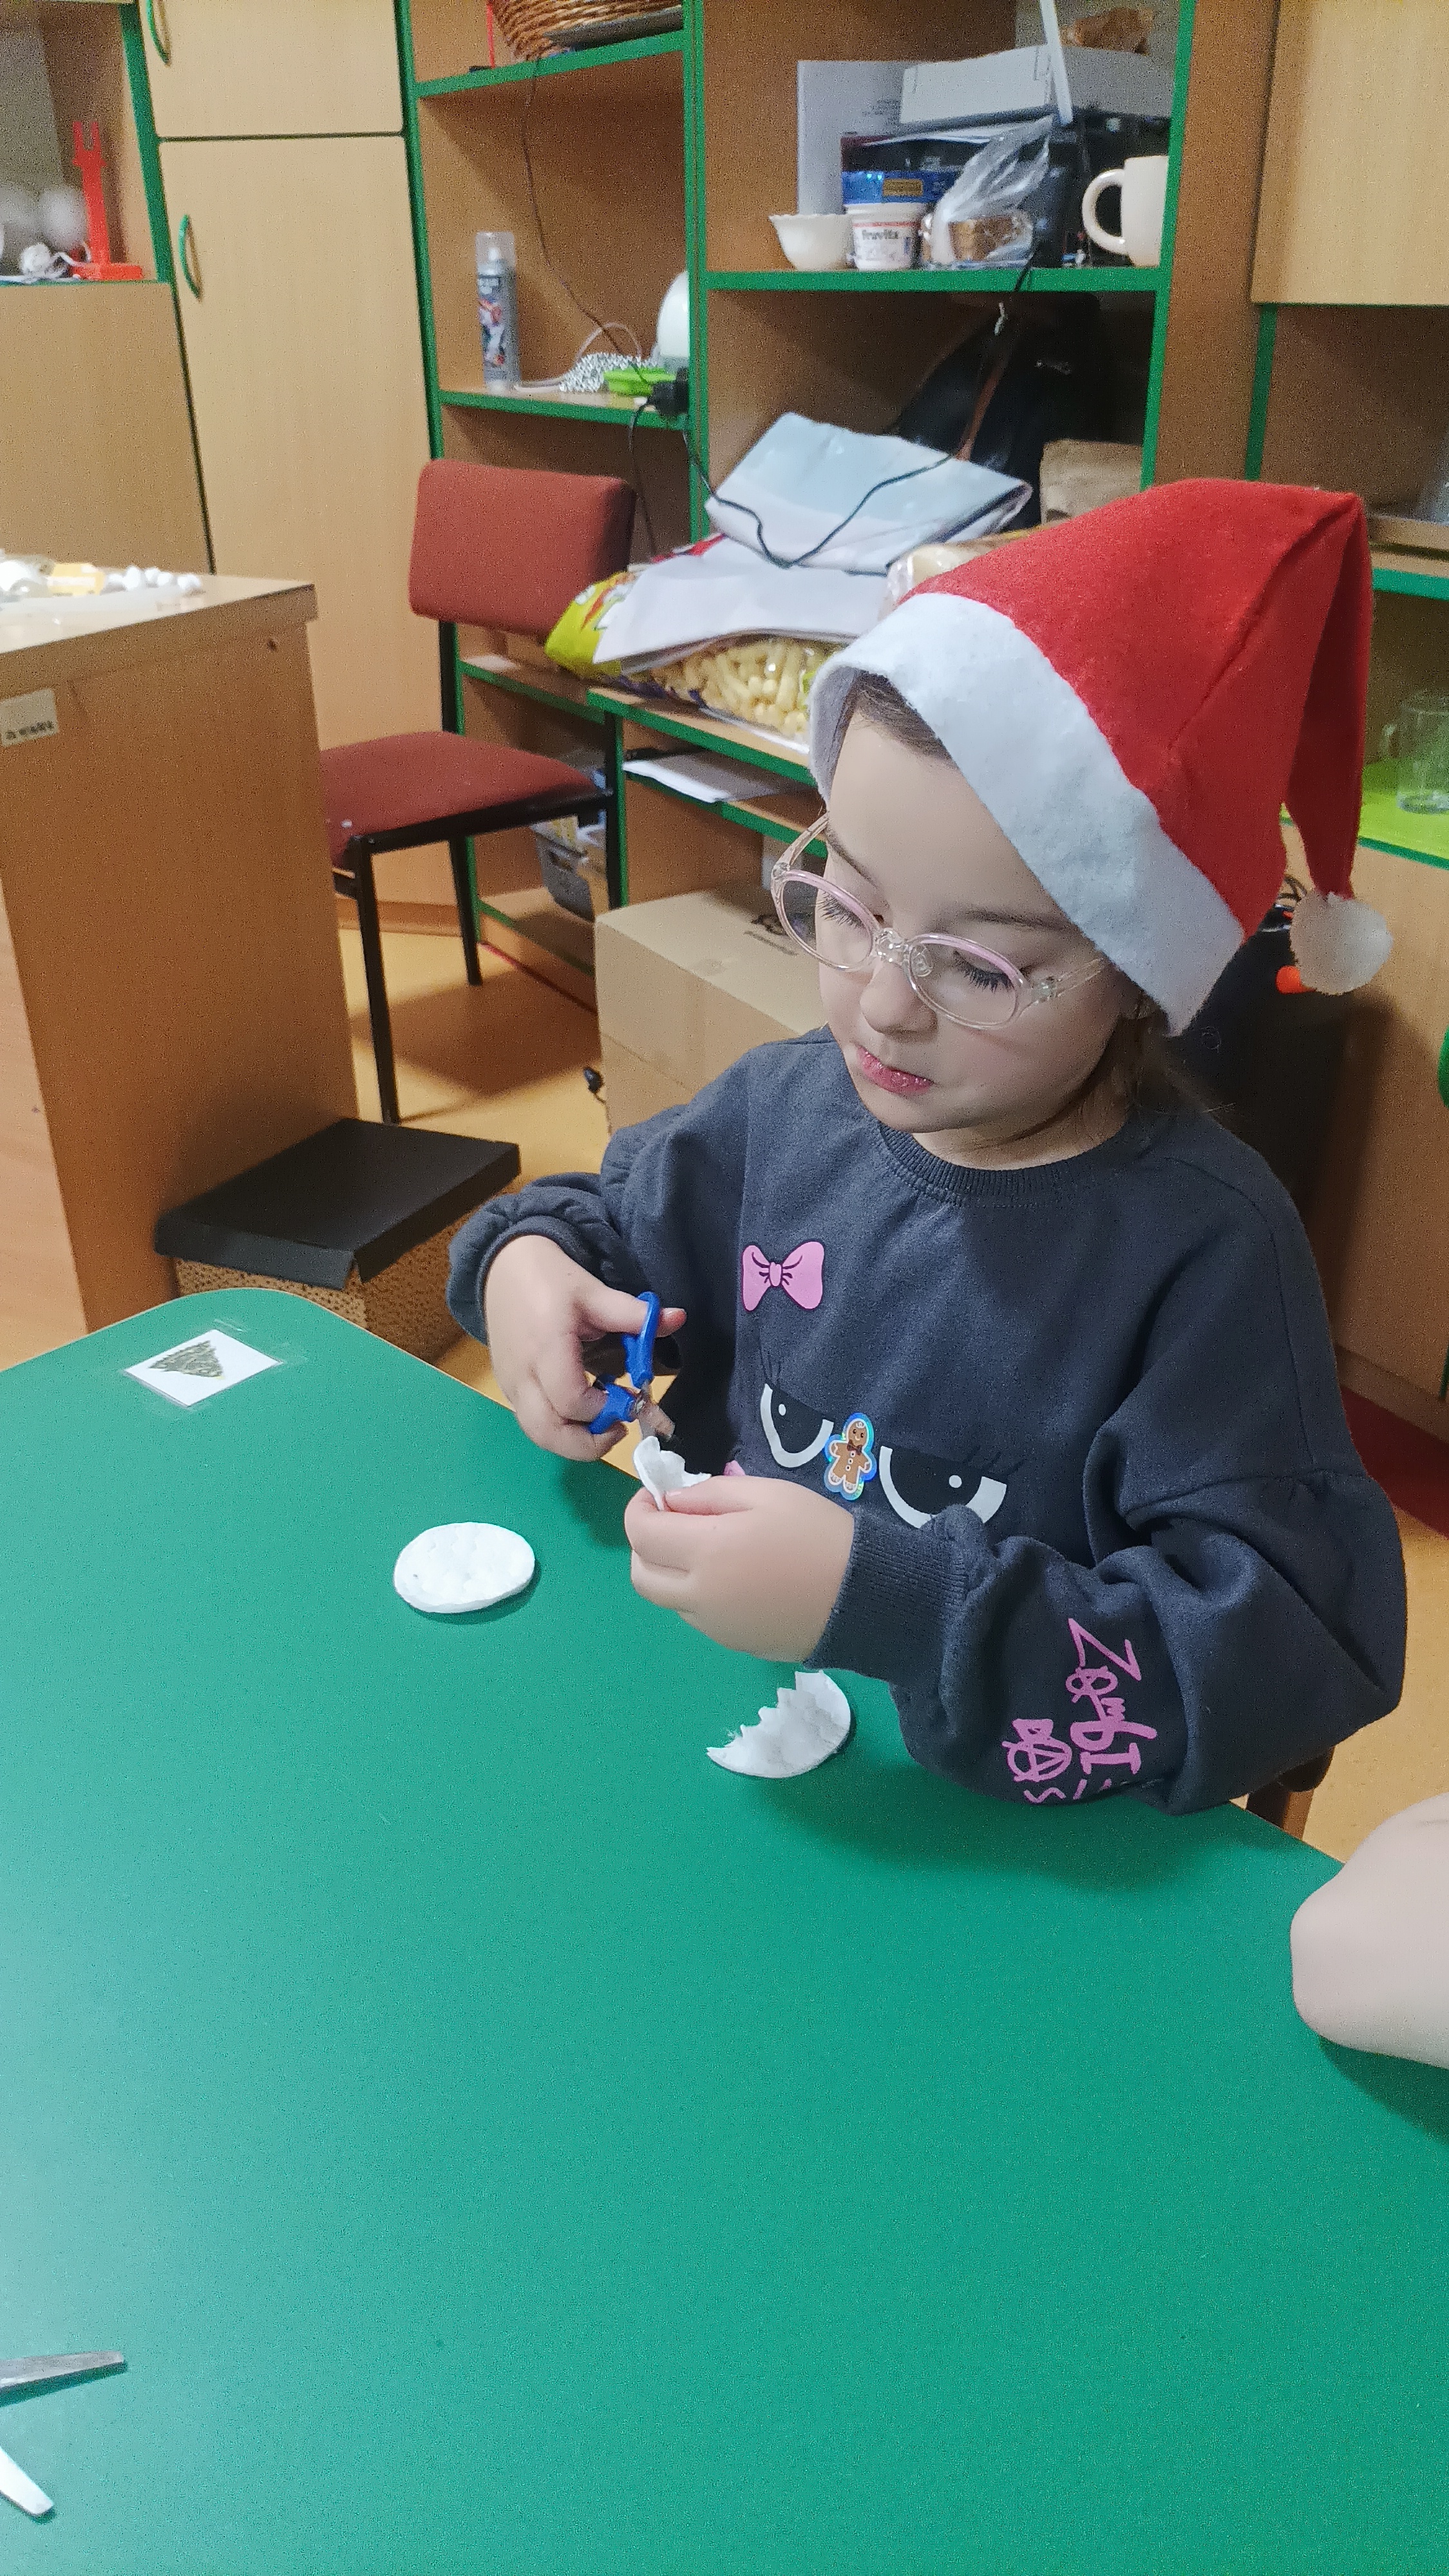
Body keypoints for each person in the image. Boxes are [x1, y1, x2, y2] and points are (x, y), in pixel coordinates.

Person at [449, 480, 1406, 1813]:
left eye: (977, 964)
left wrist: (884, 1600)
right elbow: (589, 1224)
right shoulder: (782, 1112)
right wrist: (525, 1275)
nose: (883, 1004)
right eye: (847, 903)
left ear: (1139, 976)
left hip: (1013, 1849)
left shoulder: (1204, 1254)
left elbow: (1286, 1652)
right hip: (753, 1757)